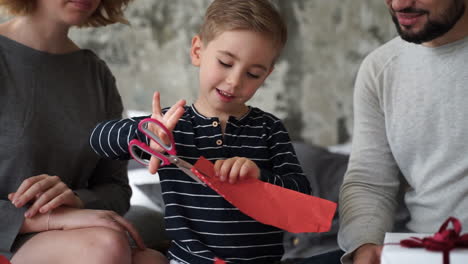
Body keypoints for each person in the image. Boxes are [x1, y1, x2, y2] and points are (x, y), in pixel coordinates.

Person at [90, 0, 311, 263]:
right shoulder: (171, 124)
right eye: (225, 63)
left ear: (266, 76)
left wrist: (259, 177)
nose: (235, 81)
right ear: (197, 51)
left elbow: (301, 202)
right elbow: (98, 140)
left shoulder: (269, 129)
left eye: (252, 74)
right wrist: (145, 133)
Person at [0, 0, 167, 263]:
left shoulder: (96, 75)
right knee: (106, 246)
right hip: (8, 235)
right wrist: (51, 217)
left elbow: (117, 190)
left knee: (152, 260)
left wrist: (76, 200)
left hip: (71, 236)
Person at [338, 0, 468, 263]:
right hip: (423, 250)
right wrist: (365, 244)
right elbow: (370, 180)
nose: (399, 4)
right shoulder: (380, 68)